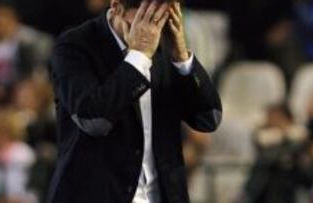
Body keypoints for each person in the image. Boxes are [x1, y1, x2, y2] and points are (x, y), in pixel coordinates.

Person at [48, 0, 222, 202]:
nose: (150, 31)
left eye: (158, 20)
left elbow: (209, 118)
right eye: (141, 20)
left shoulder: (165, 44)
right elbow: (94, 120)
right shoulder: (74, 45)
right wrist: (139, 57)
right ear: (117, 8)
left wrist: (182, 57)